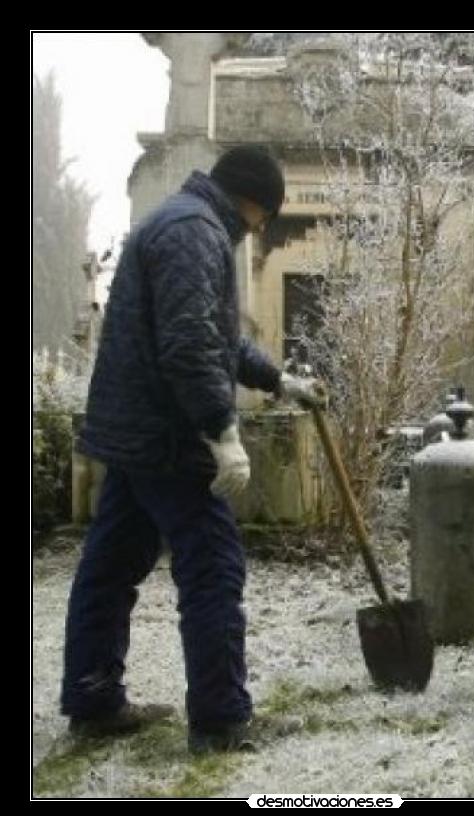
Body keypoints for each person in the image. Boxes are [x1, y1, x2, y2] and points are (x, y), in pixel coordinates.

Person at [60, 144, 318, 753]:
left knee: (111, 569)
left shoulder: (180, 222)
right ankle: (222, 719)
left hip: (132, 434)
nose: (258, 231)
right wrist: (221, 432)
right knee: (213, 570)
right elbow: (190, 346)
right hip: (168, 439)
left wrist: (278, 380)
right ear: (253, 203)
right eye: (263, 219)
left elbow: (215, 337)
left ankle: (93, 699)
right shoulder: (196, 234)